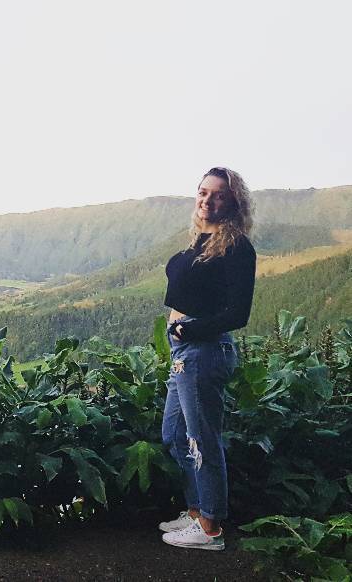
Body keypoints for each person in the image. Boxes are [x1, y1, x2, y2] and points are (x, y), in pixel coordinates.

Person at [158, 166, 256, 551]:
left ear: (232, 202)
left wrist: (191, 329)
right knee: (175, 435)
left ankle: (211, 528)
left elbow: (238, 313)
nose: (207, 199)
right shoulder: (202, 240)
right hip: (185, 351)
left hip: (203, 350)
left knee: (202, 440)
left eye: (217, 194)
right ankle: (198, 511)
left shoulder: (237, 248)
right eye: (202, 192)